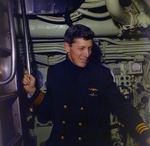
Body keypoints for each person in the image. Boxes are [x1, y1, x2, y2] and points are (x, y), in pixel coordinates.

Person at [22, 24, 150, 146]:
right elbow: (49, 110)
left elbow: (122, 106)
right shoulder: (55, 72)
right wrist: (34, 92)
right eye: (81, 48)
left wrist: (144, 133)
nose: (87, 54)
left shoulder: (101, 74)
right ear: (67, 47)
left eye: (89, 48)